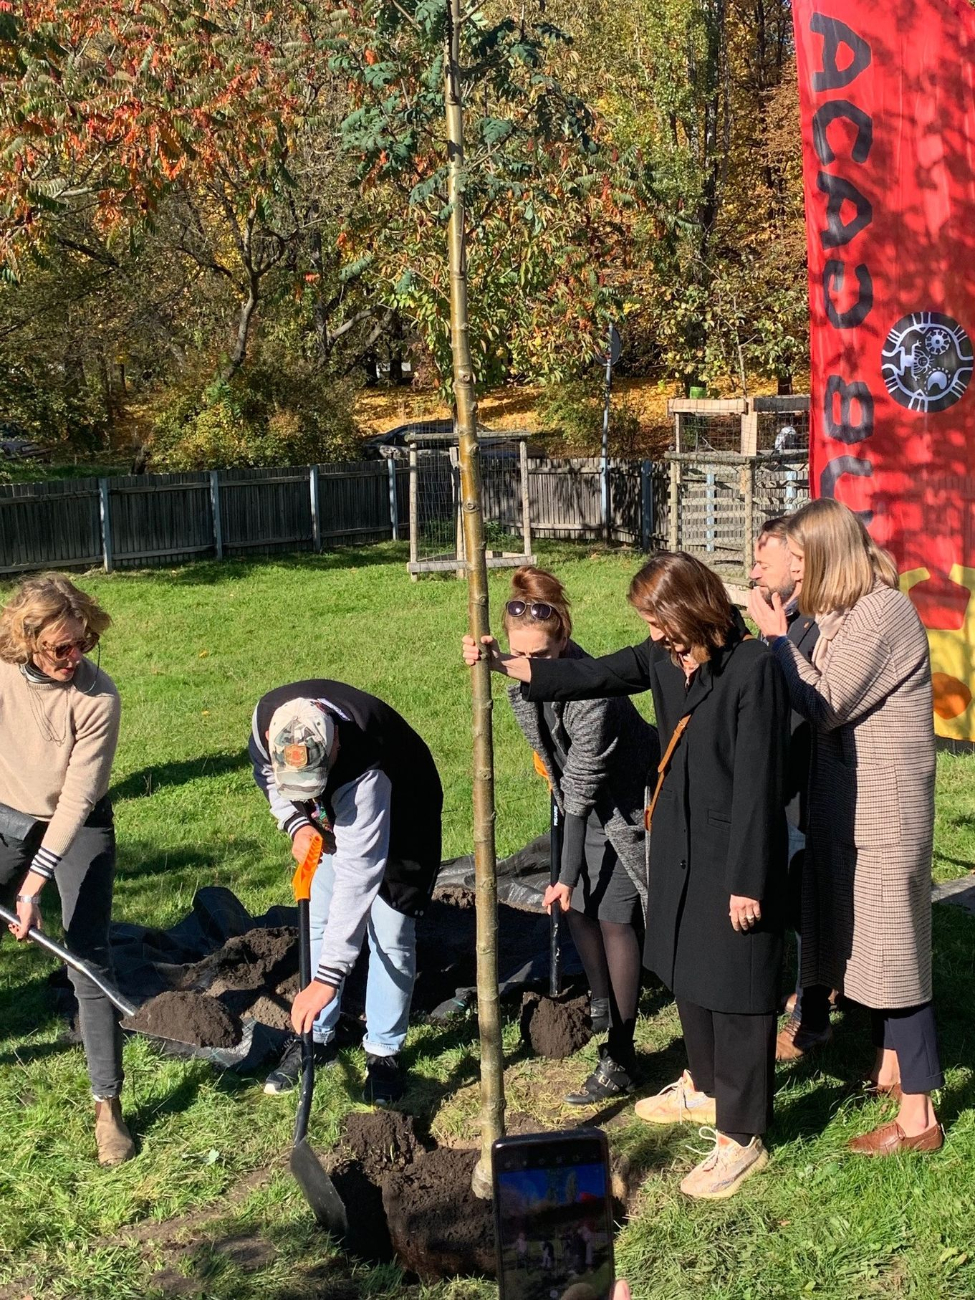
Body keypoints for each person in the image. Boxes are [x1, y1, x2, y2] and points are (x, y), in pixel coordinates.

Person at [467, 552, 790, 1199]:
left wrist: (748, 878)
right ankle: (703, 1087)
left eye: (655, 620)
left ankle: (741, 1137)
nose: (648, 634)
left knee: (737, 987)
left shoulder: (751, 669)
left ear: (687, 611)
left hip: (733, 850)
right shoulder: (664, 658)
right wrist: (506, 664)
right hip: (677, 838)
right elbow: (592, 673)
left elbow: (760, 781)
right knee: (688, 969)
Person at [749, 498, 944, 1155]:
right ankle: (891, 1067)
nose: (792, 572)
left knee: (896, 959)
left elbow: (823, 703)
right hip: (849, 811)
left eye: (799, 559)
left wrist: (777, 639)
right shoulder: (844, 615)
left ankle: (918, 1121)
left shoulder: (881, 612)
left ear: (827, 555)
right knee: (864, 946)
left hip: (883, 818)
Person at [492, 566, 657, 1102]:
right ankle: (603, 1003)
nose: (530, 668)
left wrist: (562, 873)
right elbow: (554, 767)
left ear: (563, 637)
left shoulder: (592, 696)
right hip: (578, 804)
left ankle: (623, 1053)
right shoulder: (521, 682)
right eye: (520, 657)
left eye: (540, 657)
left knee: (613, 917)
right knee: (579, 907)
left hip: (630, 807)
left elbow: (584, 781)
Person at [250, 680, 443, 1105]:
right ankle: (315, 1039)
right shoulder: (269, 721)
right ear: (270, 740)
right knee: (320, 916)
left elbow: (359, 877)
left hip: (405, 819)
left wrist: (327, 978)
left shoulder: (366, 764)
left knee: (390, 934)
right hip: (337, 814)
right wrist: (297, 822)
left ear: (334, 746)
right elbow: (266, 776)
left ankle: (383, 1052)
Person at [0, 573, 134, 1166]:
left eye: (82, 643)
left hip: (79, 826)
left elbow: (77, 800)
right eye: (60, 648)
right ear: (27, 640)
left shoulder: (98, 697)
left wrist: (32, 886)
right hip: (6, 813)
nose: (74, 658)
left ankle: (108, 1107)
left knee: (87, 956)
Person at [750, 517, 821, 1036]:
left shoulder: (809, 627)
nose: (754, 572)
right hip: (779, 780)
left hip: (807, 785)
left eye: (763, 564)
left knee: (806, 898)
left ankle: (809, 1015)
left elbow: (814, 703)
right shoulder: (775, 621)